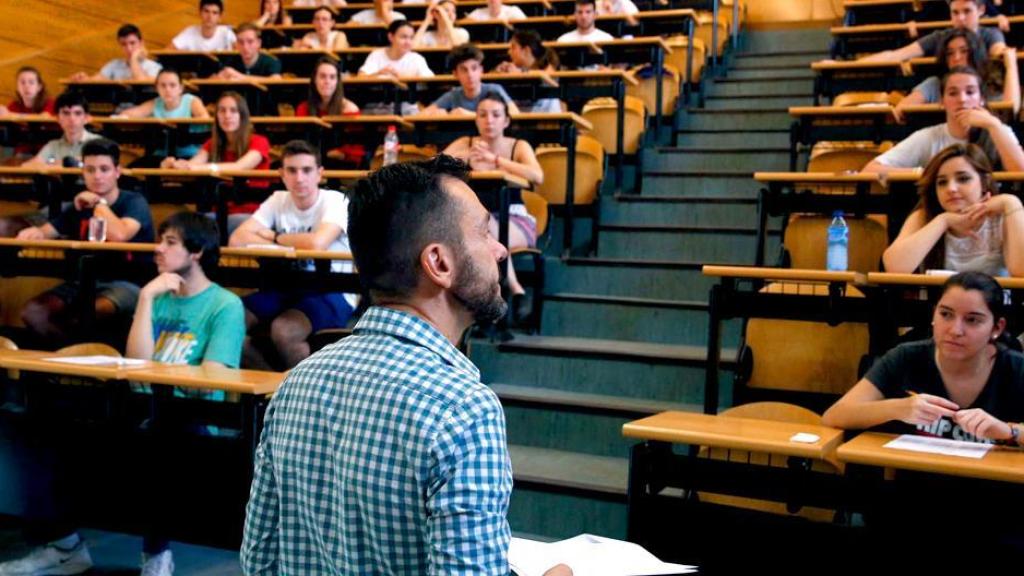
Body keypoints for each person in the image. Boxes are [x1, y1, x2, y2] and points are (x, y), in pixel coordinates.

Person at [240, 154, 518, 573]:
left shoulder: (296, 382)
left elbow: (259, 561)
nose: (500, 249)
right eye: (484, 232)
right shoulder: (464, 410)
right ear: (439, 263)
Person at [823, 271, 1024, 445]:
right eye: (946, 314)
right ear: (933, 315)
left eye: (972, 320)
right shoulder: (905, 356)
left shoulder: (1017, 367)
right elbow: (835, 415)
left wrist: (1010, 432)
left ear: (997, 328)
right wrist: (898, 408)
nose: (955, 330)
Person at [228, 140, 355, 369]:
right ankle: (271, 391)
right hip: (283, 287)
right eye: (292, 170)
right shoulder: (278, 200)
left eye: (306, 170)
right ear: (281, 174)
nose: (299, 178)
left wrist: (274, 237)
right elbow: (237, 238)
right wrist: (294, 241)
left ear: (320, 174)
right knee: (227, 316)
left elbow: (317, 243)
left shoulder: (336, 200)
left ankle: (304, 397)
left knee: (284, 330)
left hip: (332, 290)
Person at [16, 138, 155, 343]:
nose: (97, 176)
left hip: (128, 284)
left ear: (118, 171)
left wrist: (99, 203)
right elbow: (47, 231)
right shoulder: (79, 205)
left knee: (86, 313)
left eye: (104, 169)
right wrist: (32, 233)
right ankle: (69, 363)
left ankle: (82, 365)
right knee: (33, 312)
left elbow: (119, 235)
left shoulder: (133, 202)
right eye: (90, 170)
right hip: (81, 283)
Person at [443, 94, 542, 311]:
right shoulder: (466, 143)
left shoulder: (518, 146)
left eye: (496, 115)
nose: (489, 120)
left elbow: (537, 176)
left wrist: (496, 161)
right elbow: (432, 167)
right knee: (479, 228)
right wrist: (465, 157)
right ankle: (511, 290)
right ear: (476, 119)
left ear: (506, 120)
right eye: (483, 115)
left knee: (482, 228)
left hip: (516, 219)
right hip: (476, 222)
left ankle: (509, 287)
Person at [882, 143, 1024, 276]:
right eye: (942, 182)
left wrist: (1011, 202)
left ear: (985, 182)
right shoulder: (924, 216)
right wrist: (944, 220)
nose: (951, 188)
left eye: (963, 179)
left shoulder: (1003, 215)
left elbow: (1020, 271)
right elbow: (895, 267)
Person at [861, 66, 1024, 175]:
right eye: (953, 93)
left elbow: (1020, 171)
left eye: (970, 92)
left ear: (981, 99)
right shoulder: (929, 136)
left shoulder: (998, 130)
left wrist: (994, 125)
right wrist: (924, 173)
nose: (962, 99)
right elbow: (871, 169)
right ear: (942, 101)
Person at [161, 91, 271, 230]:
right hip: (218, 211)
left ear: (242, 116)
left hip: (252, 213)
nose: (227, 116)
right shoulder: (212, 143)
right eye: (222, 110)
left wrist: (199, 168)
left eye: (233, 111)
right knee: (178, 225)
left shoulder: (259, 141)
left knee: (196, 229)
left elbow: (239, 167)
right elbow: (192, 166)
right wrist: (172, 165)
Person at [820, 0, 1006, 64]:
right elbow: (895, 55)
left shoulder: (991, 35)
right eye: (955, 13)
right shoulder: (940, 36)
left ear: (981, 11)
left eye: (967, 12)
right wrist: (850, 64)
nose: (961, 19)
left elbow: (999, 54)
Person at [892, 28, 1019, 122]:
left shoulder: (989, 83)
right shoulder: (935, 83)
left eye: (964, 51)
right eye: (950, 53)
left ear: (975, 53)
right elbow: (902, 110)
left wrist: (1011, 66)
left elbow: (1010, 111)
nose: (956, 58)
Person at [117, 69, 210, 159]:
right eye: (163, 85)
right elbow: (131, 113)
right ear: (157, 88)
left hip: (190, 155)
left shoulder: (191, 101)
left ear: (181, 88)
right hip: (160, 156)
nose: (167, 90)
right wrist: (124, 115)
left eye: (172, 85)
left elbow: (205, 118)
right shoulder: (155, 103)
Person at [296, 57, 364, 165]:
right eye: (322, 76)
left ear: (337, 81)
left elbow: (357, 152)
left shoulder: (350, 109)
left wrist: (340, 154)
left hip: (341, 163)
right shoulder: (303, 108)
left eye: (332, 77)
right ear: (314, 79)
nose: (327, 81)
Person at [421, 44, 519, 115]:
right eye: (464, 70)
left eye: (474, 68)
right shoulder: (454, 94)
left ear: (481, 70)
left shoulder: (494, 89)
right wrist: (441, 113)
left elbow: (515, 113)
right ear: (455, 74)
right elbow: (423, 114)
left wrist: (469, 115)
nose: (470, 75)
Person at [22, 91, 100, 168]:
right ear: (58, 118)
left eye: (77, 113)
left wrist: (55, 164)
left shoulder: (98, 143)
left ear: (86, 118)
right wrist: (63, 163)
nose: (72, 119)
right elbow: (26, 167)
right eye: (66, 113)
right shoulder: (52, 146)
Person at [494, 30, 562, 113]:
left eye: (513, 47)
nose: (509, 52)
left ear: (526, 50)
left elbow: (551, 84)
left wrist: (520, 74)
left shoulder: (548, 65)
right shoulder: (515, 68)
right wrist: (498, 73)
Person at [69, 24, 162, 82]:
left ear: (141, 43)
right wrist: (83, 78)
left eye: (132, 43)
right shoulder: (114, 64)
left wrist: (134, 59)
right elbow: (95, 80)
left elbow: (141, 81)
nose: (129, 48)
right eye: (124, 44)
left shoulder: (154, 67)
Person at [357, 19, 433, 78]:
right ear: (391, 37)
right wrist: (378, 74)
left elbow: (430, 80)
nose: (408, 42)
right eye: (404, 37)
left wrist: (400, 77)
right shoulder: (377, 54)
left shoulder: (417, 58)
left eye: (411, 38)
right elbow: (361, 77)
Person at [216, 22, 283, 80]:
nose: (245, 47)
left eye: (250, 42)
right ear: (236, 44)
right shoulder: (229, 62)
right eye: (241, 42)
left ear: (259, 43)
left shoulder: (272, 62)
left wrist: (240, 77)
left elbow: (275, 80)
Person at [169, 0, 237, 51]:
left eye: (214, 13)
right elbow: (167, 51)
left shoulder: (227, 33)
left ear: (220, 17)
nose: (210, 16)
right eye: (206, 11)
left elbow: (240, 55)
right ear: (200, 13)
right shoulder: (189, 31)